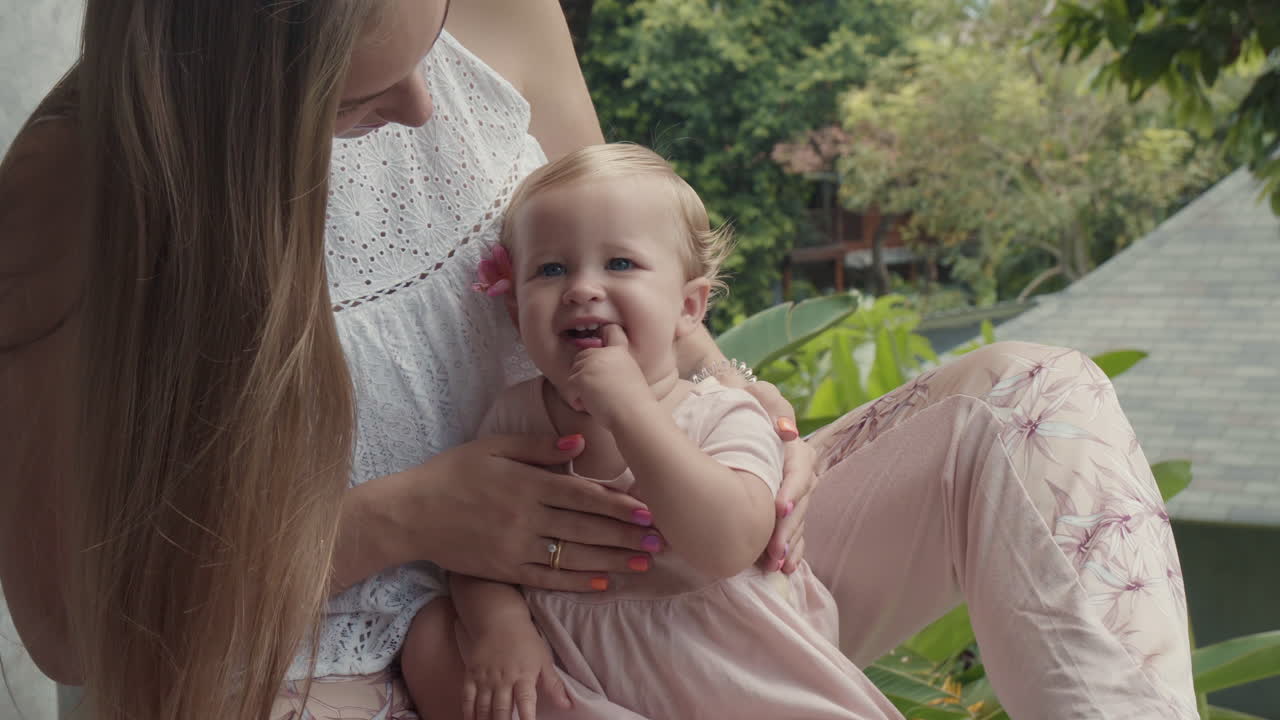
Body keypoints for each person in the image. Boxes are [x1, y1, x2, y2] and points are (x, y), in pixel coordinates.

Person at [0, 0, 1197, 718]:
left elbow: (627, 246)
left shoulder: (499, 14)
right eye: (361, 89)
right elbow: (71, 629)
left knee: (1032, 405)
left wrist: (735, 410)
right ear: (236, 83)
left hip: (654, 559)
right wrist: (409, 519)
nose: (425, 105)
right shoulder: (71, 192)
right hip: (380, 661)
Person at [398, 142, 904, 720]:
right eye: (551, 269)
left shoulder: (720, 416)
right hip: (585, 675)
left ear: (689, 307)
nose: (582, 288)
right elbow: (471, 541)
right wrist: (501, 624)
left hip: (735, 670)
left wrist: (629, 410)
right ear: (515, 312)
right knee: (431, 641)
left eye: (619, 264)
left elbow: (728, 545)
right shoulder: (515, 419)